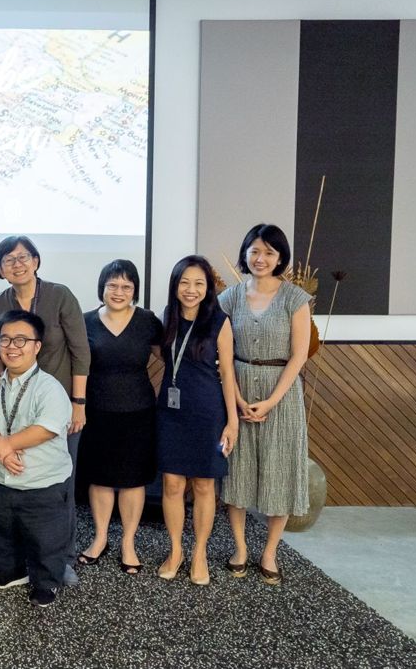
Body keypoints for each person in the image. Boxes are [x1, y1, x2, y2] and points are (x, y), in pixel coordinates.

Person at [0, 235, 89, 583]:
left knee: (61, 485)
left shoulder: (60, 295)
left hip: (56, 407)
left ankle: (63, 559)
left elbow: (81, 351)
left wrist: (78, 403)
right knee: (17, 485)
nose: (17, 264)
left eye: (23, 257)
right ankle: (20, 560)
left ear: (36, 261)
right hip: (12, 409)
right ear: (0, 270)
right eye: (8, 260)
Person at [218, 224, 312, 585]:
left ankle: (270, 551)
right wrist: (238, 398)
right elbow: (221, 350)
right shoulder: (230, 297)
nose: (261, 258)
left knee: (281, 471)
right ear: (245, 253)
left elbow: (299, 355)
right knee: (238, 471)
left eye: (269, 252)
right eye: (255, 251)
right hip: (237, 388)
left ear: (280, 258)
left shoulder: (295, 299)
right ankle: (240, 548)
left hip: (282, 395)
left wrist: (272, 399)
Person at [0, 310, 73, 608]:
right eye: (5, 339)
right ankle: (10, 570)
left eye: (21, 340)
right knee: (0, 529)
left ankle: (46, 582)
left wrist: (6, 444)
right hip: (2, 477)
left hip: (42, 481)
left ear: (37, 346)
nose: (12, 346)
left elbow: (46, 428)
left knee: (46, 538)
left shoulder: (49, 387)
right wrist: (2, 450)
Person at [76, 260, 163, 574]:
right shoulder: (84, 321)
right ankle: (100, 539)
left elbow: (169, 357)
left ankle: (128, 542)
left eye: (127, 286)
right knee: (99, 478)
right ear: (102, 287)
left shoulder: (147, 321)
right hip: (96, 411)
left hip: (138, 412)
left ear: (135, 291)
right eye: (112, 285)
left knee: (132, 480)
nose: (119, 291)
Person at [155, 255, 238, 586]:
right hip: (171, 412)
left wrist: (232, 422)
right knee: (172, 484)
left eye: (199, 283)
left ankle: (200, 551)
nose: (191, 289)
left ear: (209, 288)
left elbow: (228, 373)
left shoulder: (220, 322)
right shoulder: (168, 318)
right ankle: (175, 550)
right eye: (184, 282)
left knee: (204, 484)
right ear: (175, 286)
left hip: (207, 412)